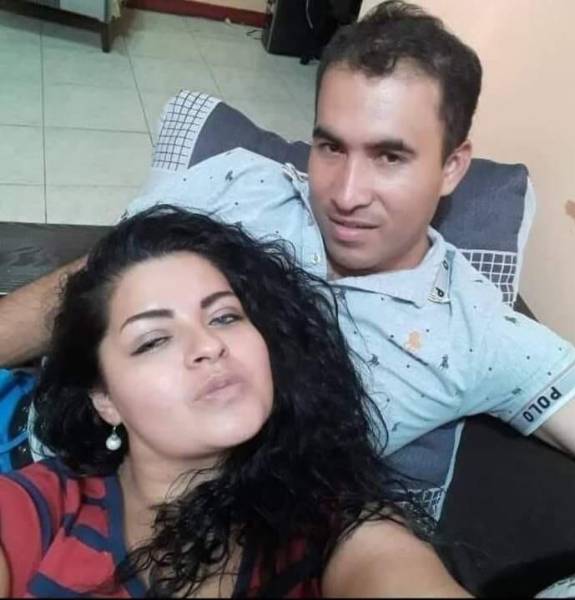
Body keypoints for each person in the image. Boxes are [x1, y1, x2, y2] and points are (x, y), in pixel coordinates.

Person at [0, 0, 575, 590]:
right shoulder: (242, 185)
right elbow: (99, 282)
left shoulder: (476, 330)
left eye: (389, 156)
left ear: (452, 167)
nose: (346, 194)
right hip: (33, 437)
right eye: (331, 147)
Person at [0, 206, 470, 598]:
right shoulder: (39, 508)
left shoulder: (337, 532)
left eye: (225, 317)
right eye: (153, 340)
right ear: (106, 399)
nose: (209, 345)